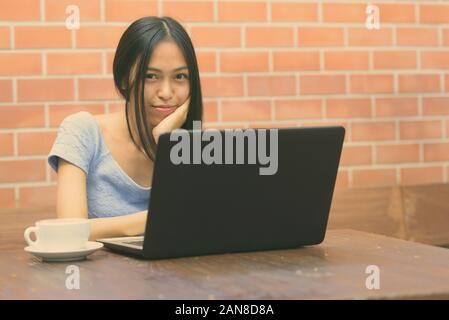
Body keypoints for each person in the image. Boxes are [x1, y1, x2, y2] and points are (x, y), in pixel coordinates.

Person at [47, 16, 203, 240]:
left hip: (170, 274)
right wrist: (154, 219)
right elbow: (69, 230)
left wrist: (166, 144)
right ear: (123, 80)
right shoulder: (82, 131)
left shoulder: (189, 145)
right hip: (96, 274)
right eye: (150, 76)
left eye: (180, 76)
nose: (167, 92)